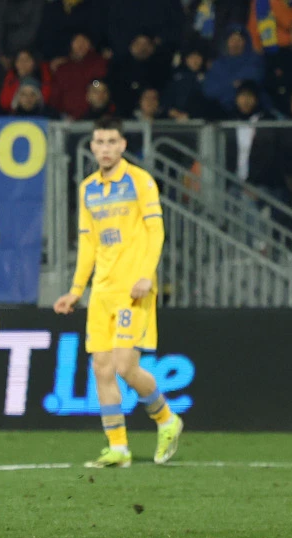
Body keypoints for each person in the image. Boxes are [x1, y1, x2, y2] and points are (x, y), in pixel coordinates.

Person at [53, 116, 183, 468]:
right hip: (103, 290)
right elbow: (87, 244)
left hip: (134, 289)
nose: (105, 148)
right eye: (99, 142)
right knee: (101, 367)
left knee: (126, 365)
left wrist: (146, 275)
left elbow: (156, 233)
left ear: (123, 145)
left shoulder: (140, 181)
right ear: (92, 146)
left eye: (112, 141)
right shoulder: (88, 189)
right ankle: (118, 448)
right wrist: (76, 289)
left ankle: (167, 419)